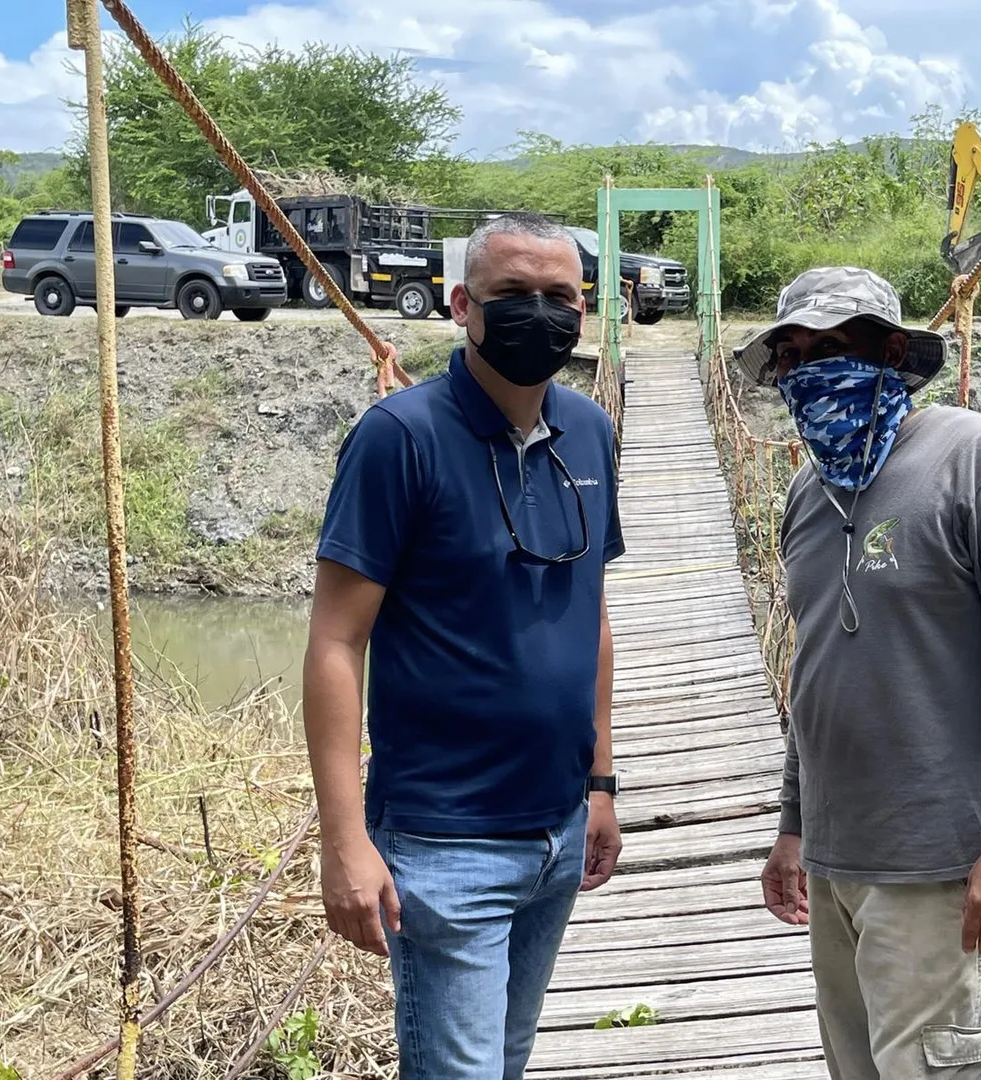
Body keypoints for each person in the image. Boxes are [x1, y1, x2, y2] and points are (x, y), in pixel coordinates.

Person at [739, 266, 981, 1080]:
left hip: (941, 870)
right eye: (792, 355)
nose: (806, 372)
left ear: (893, 350)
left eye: (832, 348)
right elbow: (817, 669)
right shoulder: (807, 489)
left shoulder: (977, 458)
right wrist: (795, 825)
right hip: (835, 867)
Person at [301, 212, 625, 1080]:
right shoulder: (399, 438)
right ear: (460, 306)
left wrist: (599, 784)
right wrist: (343, 841)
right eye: (511, 295)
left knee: (505, 1062)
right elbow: (336, 640)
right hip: (446, 842)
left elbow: (588, 614)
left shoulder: (590, 433)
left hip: (557, 828)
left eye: (559, 296)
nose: (539, 313)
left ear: (584, 309)